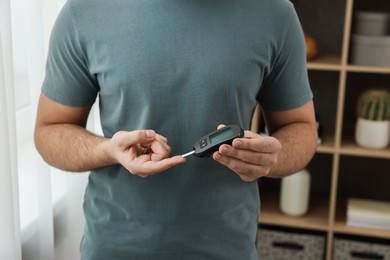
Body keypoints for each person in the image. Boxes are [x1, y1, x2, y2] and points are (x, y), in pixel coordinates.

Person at [34, 0, 318, 259]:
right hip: (115, 248)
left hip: (227, 250)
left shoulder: (274, 12)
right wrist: (107, 150)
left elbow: (302, 128)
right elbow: (50, 130)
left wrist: (273, 159)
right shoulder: (85, 11)